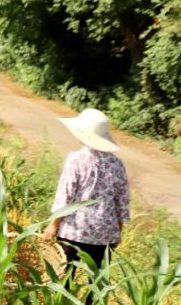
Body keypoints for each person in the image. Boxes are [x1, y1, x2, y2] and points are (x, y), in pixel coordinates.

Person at [42, 108, 130, 277]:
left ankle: (65, 303)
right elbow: (122, 202)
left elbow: (65, 194)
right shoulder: (117, 164)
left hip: (74, 232)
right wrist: (117, 231)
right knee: (97, 281)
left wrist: (53, 225)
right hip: (104, 234)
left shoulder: (76, 160)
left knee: (65, 278)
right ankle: (92, 304)